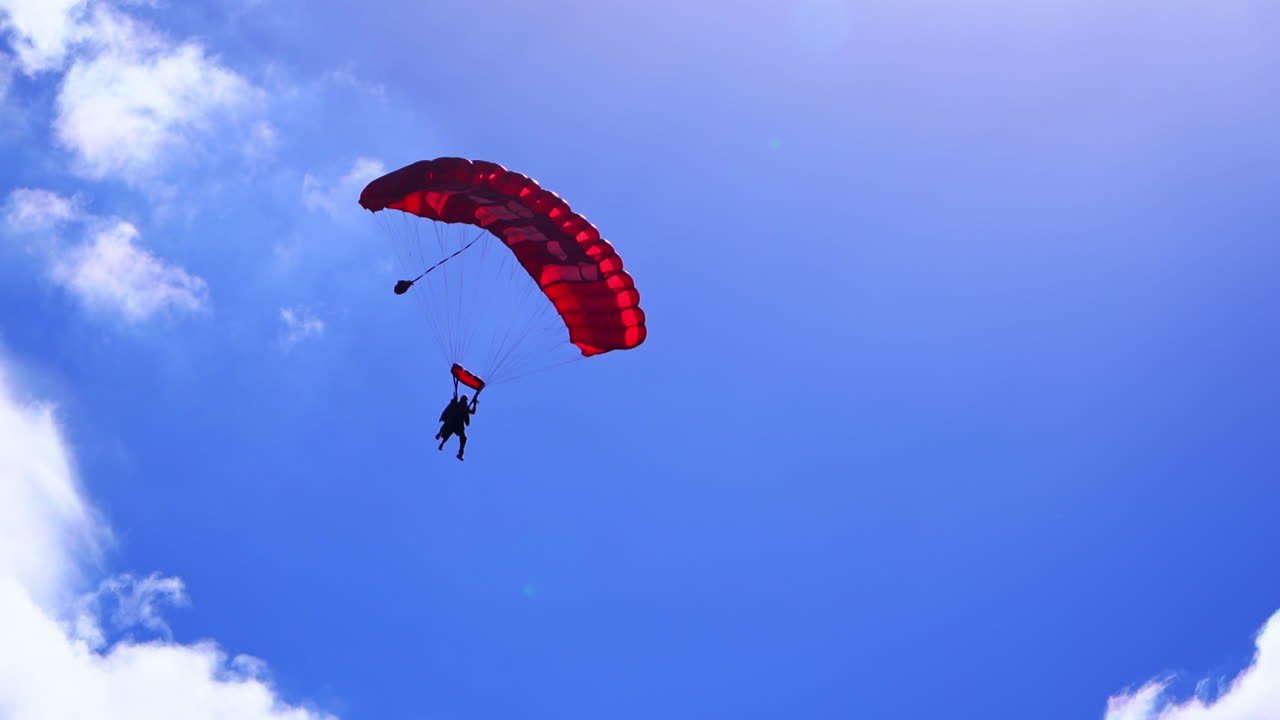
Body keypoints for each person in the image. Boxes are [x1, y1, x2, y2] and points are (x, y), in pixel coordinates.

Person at [436, 392, 478, 460]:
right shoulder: (456, 404)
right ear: (461, 400)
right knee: (448, 426)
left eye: (465, 401)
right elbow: (449, 407)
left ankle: (460, 452)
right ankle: (440, 435)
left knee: (463, 438)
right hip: (452, 422)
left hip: (458, 425)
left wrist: (474, 403)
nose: (464, 402)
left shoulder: (465, 408)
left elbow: (472, 412)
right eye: (464, 400)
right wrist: (454, 400)